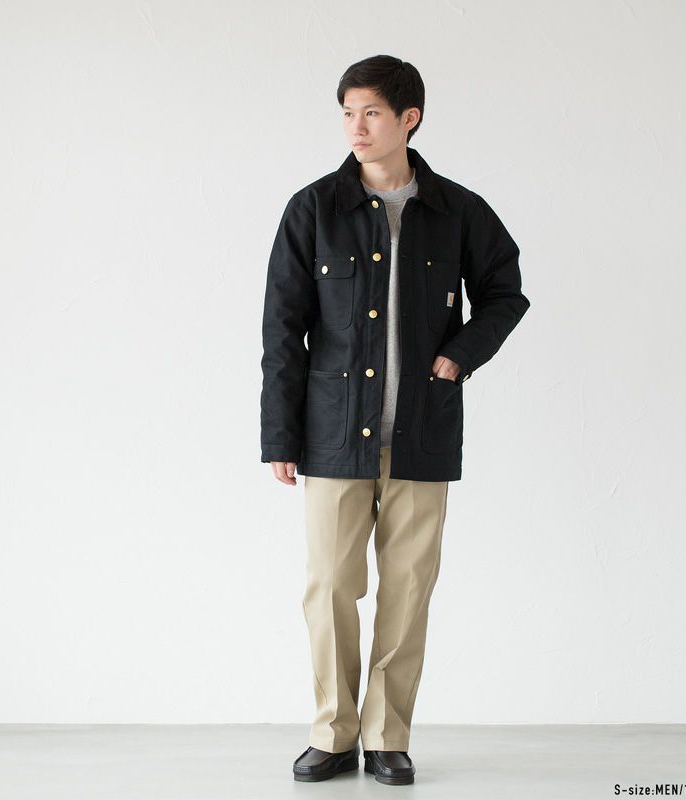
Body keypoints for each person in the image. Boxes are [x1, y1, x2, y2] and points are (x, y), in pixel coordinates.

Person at [260, 54, 530, 785]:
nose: (356, 126)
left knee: (407, 592)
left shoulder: (457, 211)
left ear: (409, 118)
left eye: (372, 112)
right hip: (331, 434)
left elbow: (505, 292)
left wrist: (457, 358)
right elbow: (282, 329)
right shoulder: (313, 209)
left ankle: (387, 736)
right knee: (329, 589)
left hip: (422, 432)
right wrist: (280, 435)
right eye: (348, 112)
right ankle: (332, 732)